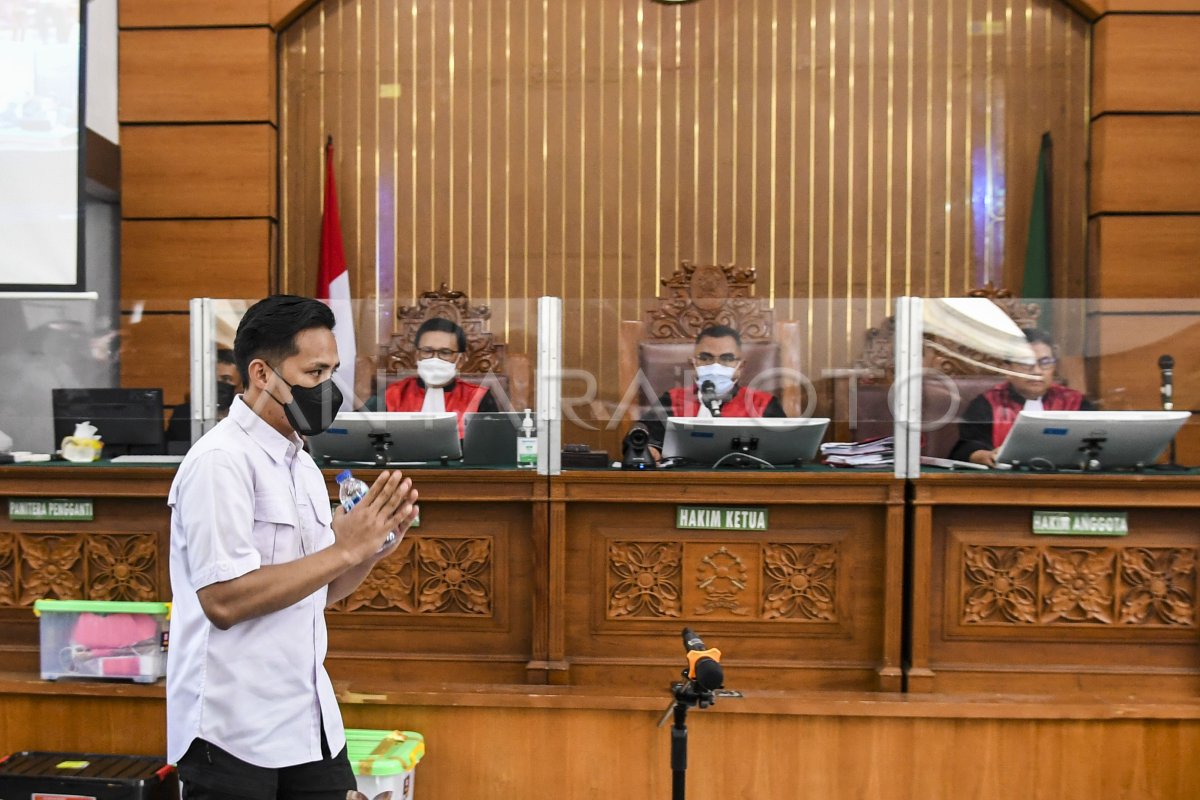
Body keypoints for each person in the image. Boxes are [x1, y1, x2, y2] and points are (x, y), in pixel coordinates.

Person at [166, 295, 419, 800]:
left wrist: (370, 548)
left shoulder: (301, 462)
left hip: (308, 717)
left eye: (333, 372)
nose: (328, 389)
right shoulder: (220, 462)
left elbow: (312, 593)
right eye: (314, 372)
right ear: (262, 373)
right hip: (232, 726)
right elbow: (224, 601)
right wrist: (343, 550)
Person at [638, 324, 786, 461]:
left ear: (741, 367)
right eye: (705, 358)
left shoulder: (763, 404)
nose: (716, 365)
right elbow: (642, 438)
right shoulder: (672, 400)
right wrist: (650, 449)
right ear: (693, 364)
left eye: (726, 358)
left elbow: (785, 449)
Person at [949, 328, 1094, 466]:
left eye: (1045, 362)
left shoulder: (1075, 402)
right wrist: (984, 455)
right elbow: (966, 448)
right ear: (1007, 369)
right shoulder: (987, 403)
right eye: (1026, 363)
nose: (1037, 371)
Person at [383, 316, 499, 436]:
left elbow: (491, 445)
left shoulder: (479, 398)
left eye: (445, 352)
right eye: (427, 351)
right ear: (417, 355)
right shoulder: (392, 395)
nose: (435, 359)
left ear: (461, 360)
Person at [165, 347, 244, 444]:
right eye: (211, 378)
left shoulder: (248, 419)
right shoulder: (183, 416)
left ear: (241, 385)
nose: (217, 384)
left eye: (226, 379)